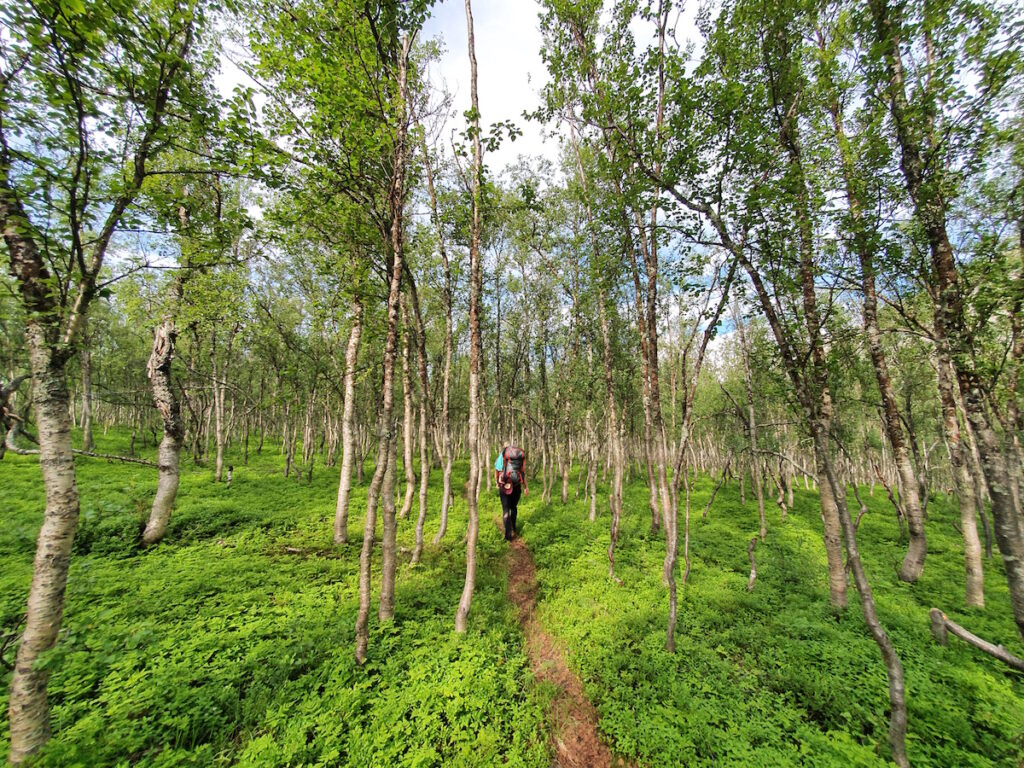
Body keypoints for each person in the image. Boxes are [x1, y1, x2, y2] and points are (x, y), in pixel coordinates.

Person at [494, 444, 528, 541]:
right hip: (517, 485)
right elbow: (522, 472)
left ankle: (508, 535)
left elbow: (497, 470)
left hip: (505, 485)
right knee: (514, 507)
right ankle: (513, 528)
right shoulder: (518, 459)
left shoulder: (501, 457)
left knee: (505, 509)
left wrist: (497, 482)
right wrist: (526, 487)